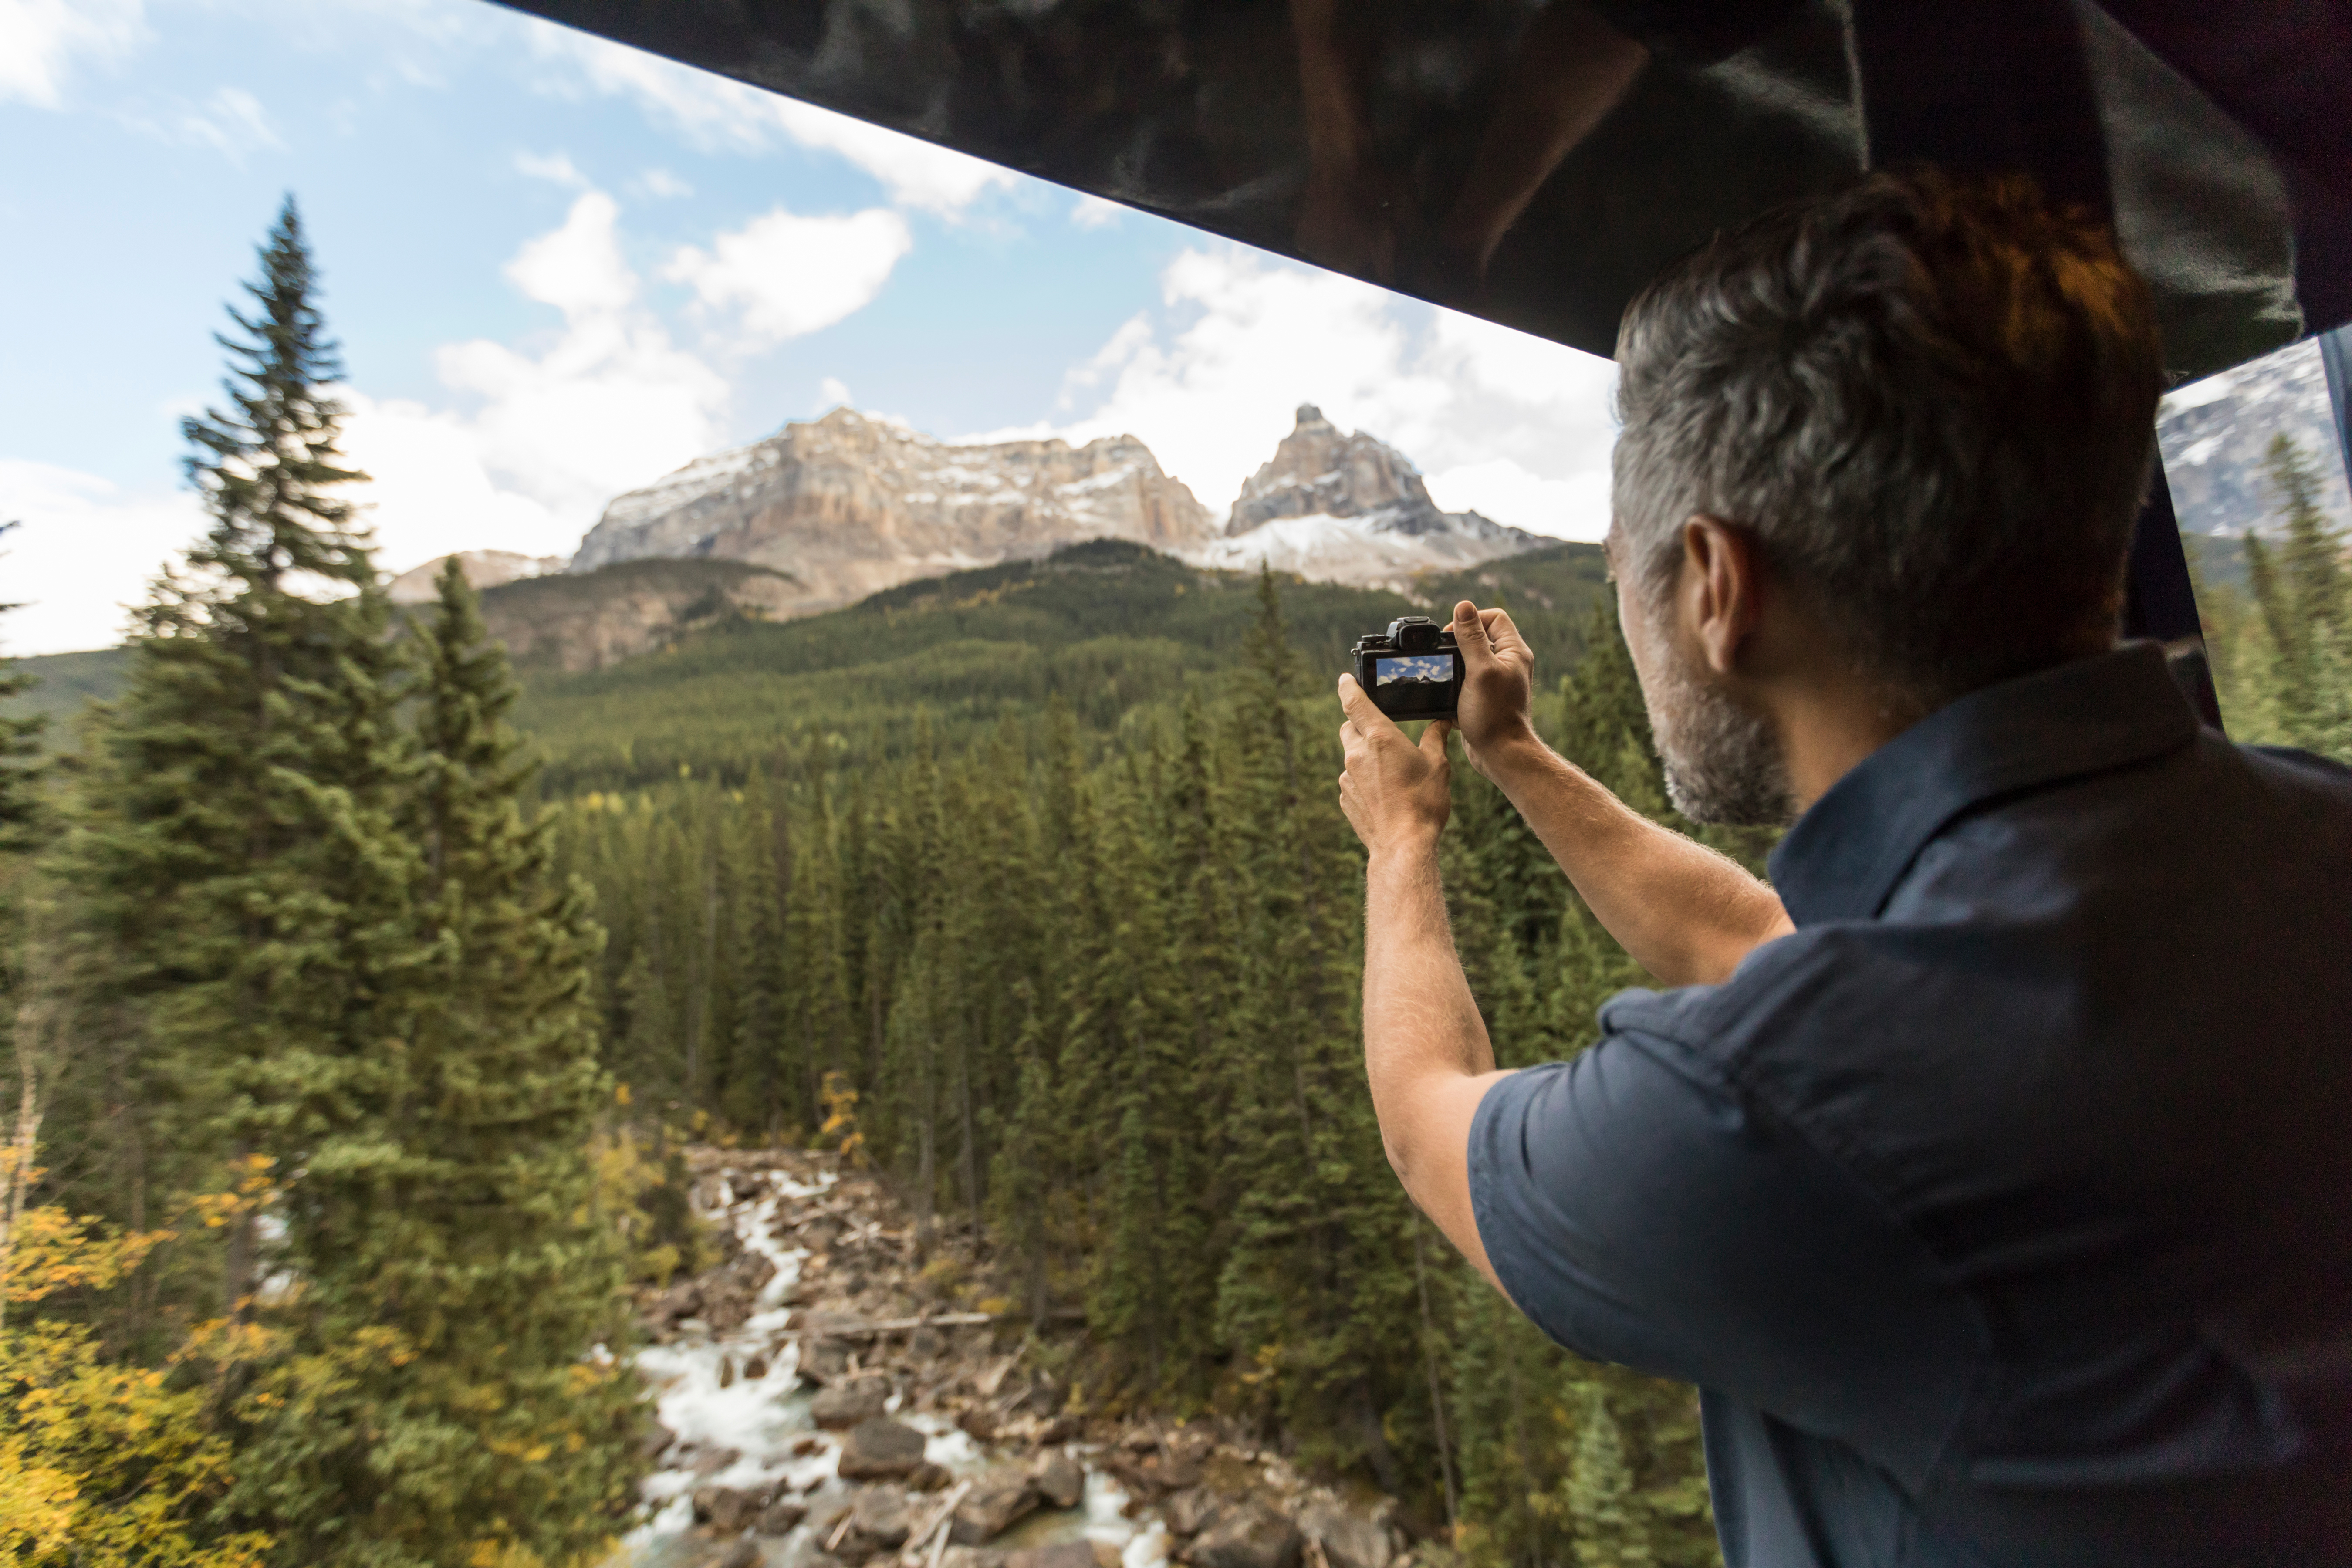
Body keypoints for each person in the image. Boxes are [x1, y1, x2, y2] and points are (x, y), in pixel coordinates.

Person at [1334, 169, 2352, 1567]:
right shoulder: (2298, 831)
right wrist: (1512, 755)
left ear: (1717, 586)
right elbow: (1766, 946)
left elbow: (1428, 1118)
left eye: (1627, 578)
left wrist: (1404, 842)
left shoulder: (1781, 1108)